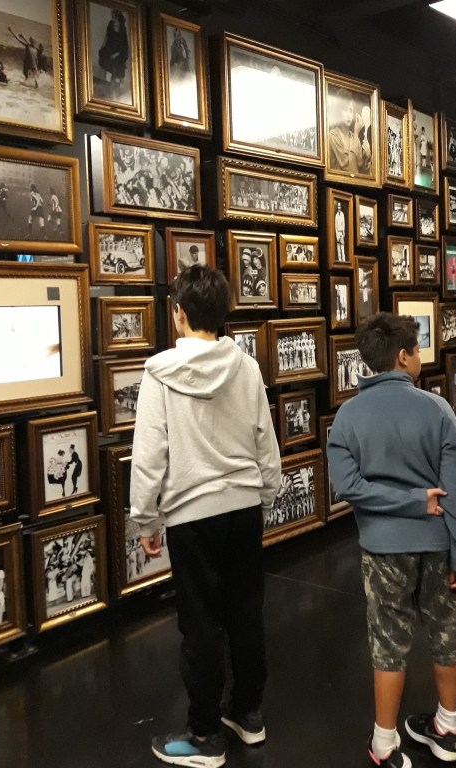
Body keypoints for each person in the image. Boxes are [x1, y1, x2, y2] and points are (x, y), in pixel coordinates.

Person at [129, 264, 281, 767]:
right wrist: (267, 493)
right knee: (246, 612)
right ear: (224, 313)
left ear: (178, 313)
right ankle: (248, 714)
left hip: (191, 515)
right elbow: (264, 438)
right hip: (243, 507)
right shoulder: (246, 367)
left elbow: (149, 455)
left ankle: (204, 734)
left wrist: (144, 520)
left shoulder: (159, 373)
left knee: (200, 625)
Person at [327, 312, 456, 768]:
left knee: (388, 645)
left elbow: (348, 487)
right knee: (447, 635)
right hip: (439, 544)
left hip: (382, 549)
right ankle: (446, 729)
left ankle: (384, 744)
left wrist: (406, 501)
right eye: (416, 350)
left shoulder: (347, 416)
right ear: (402, 356)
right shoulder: (437, 409)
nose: (419, 357)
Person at [328, 87, 371, 174]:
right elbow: (346, 165)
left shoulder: (353, 137)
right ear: (338, 112)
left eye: (350, 110)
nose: (348, 115)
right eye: (345, 110)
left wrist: (367, 157)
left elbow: (360, 165)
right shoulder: (333, 135)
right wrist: (356, 133)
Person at [98, 9, 129, 90]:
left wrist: (116, 54)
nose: (113, 19)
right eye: (112, 17)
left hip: (119, 51)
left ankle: (116, 85)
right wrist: (103, 46)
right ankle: (106, 82)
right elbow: (107, 36)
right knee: (105, 61)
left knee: (117, 67)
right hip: (109, 48)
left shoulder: (122, 28)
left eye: (114, 17)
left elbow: (123, 44)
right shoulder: (110, 24)